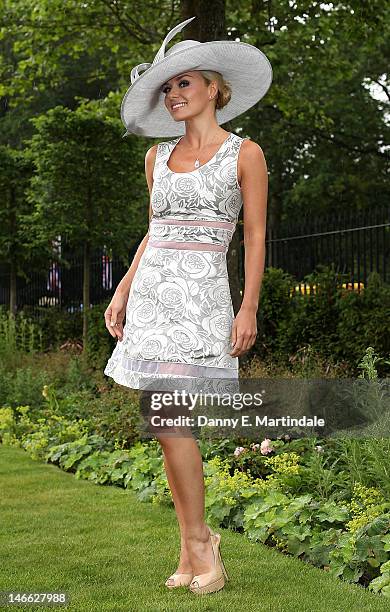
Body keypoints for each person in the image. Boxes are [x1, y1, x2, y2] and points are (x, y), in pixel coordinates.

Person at [103, 16, 271, 595]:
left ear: (215, 89)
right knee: (166, 421)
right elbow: (153, 231)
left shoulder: (245, 154)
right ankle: (192, 544)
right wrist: (123, 290)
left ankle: (200, 543)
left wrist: (247, 306)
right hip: (153, 296)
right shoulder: (156, 160)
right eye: (167, 88)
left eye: (184, 84)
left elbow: (254, 236)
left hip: (201, 299)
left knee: (174, 422)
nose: (174, 95)